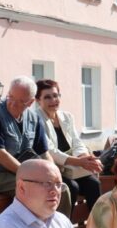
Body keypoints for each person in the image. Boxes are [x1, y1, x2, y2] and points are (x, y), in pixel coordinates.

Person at [0, 76, 70, 216]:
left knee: (62, 189)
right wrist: (31, 174)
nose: (12, 103)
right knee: (36, 189)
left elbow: (44, 153)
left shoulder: (34, 119)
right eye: (10, 97)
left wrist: (53, 176)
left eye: (20, 101)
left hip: (21, 174)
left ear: (30, 102)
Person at [36, 79, 103, 211]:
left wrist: (85, 158)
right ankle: (65, 227)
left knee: (93, 184)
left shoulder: (67, 117)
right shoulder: (36, 119)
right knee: (71, 187)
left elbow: (77, 142)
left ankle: (97, 226)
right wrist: (79, 162)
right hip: (52, 170)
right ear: (38, 100)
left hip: (73, 169)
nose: (53, 100)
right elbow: (50, 150)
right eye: (47, 97)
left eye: (55, 96)